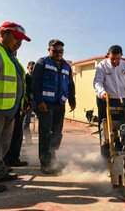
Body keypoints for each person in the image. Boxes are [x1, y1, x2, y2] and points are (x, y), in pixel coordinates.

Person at [0, 21, 31, 193]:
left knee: (1, 147)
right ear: (3, 34)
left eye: (21, 40)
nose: (19, 43)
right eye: (16, 38)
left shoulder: (9, 55)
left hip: (8, 109)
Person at [32, 39, 76, 174]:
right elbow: (35, 83)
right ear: (49, 50)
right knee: (45, 133)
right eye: (55, 51)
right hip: (45, 104)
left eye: (61, 51)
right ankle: (45, 163)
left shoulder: (66, 66)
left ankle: (53, 157)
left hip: (59, 105)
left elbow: (70, 85)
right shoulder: (42, 62)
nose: (58, 53)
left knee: (57, 133)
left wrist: (72, 100)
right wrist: (39, 101)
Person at [93, 45, 125, 151]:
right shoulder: (102, 66)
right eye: (112, 58)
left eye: (118, 58)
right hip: (105, 99)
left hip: (120, 99)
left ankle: (119, 148)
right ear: (108, 55)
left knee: (122, 126)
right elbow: (97, 82)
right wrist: (102, 92)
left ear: (121, 56)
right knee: (104, 126)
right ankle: (105, 153)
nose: (115, 61)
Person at [23, 61, 35, 144]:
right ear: (28, 68)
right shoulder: (25, 78)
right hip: (28, 103)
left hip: (38, 102)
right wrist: (27, 103)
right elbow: (25, 91)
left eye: (34, 68)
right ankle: (28, 141)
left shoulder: (37, 78)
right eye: (31, 68)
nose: (33, 70)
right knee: (25, 123)